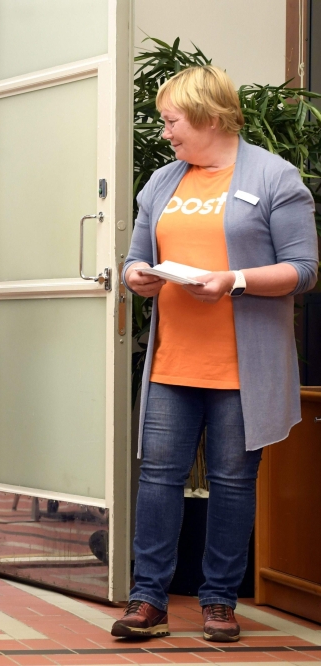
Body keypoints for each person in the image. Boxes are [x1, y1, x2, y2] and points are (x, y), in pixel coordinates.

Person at [114, 65, 318, 642]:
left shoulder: (275, 177)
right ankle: (147, 598)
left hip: (241, 370)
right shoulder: (161, 182)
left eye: (171, 121)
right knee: (157, 477)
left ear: (206, 116)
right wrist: (137, 276)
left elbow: (303, 269)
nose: (165, 134)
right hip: (174, 363)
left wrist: (235, 280)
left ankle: (219, 602)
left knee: (231, 480)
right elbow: (135, 256)